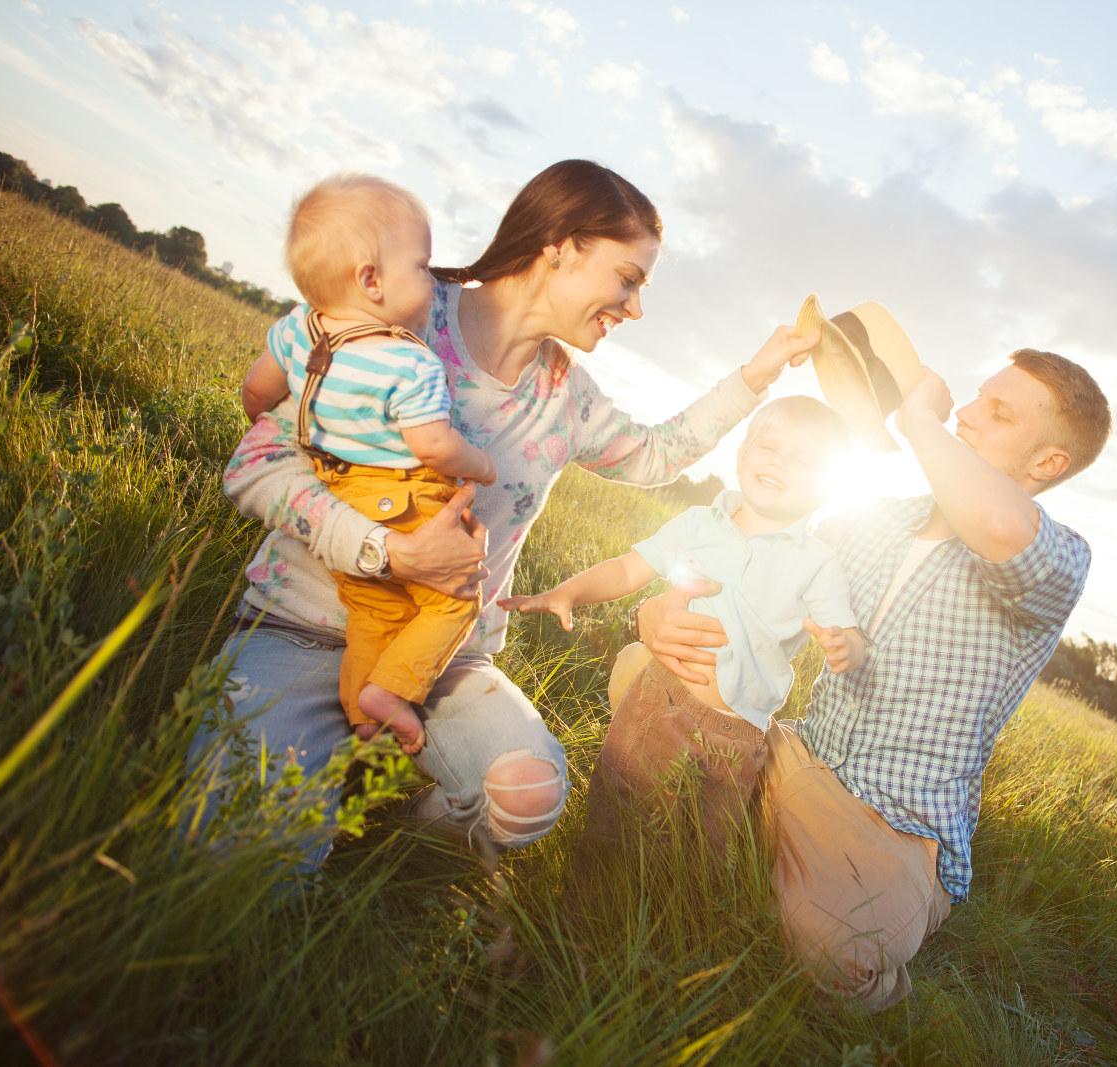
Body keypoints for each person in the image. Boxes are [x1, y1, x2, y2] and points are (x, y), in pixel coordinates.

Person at [195, 159, 818, 875]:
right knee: (236, 858)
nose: (634, 307)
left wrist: (761, 370)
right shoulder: (405, 313)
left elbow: (656, 455)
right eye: (628, 278)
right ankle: (314, 787)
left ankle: (392, 857)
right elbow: (260, 460)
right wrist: (386, 553)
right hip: (301, 627)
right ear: (560, 245)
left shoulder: (569, 398)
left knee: (525, 794)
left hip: (446, 660)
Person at [637, 346, 1111, 1010]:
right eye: (974, 397)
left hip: (893, 822)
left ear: (1046, 465)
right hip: (793, 752)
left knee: (835, 952)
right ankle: (751, 855)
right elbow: (747, 576)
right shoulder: (871, 518)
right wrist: (657, 610)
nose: (965, 414)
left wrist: (921, 422)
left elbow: (1002, 523)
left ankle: (831, 916)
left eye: (996, 413)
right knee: (645, 676)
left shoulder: (1057, 562)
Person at [498, 396, 862, 852]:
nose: (779, 463)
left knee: (702, 851)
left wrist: (846, 646)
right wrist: (569, 591)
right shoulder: (697, 524)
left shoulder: (817, 562)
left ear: (825, 487)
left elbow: (843, 630)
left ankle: (679, 911)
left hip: (737, 731)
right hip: (661, 695)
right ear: (742, 454)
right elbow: (630, 569)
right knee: (619, 817)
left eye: (802, 460)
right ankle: (593, 895)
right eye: (768, 447)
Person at [238, 173, 499, 755]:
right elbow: (433, 447)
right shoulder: (410, 362)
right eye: (422, 266)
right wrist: (479, 462)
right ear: (371, 280)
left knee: (369, 611)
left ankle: (362, 714)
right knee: (452, 602)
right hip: (402, 499)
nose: (432, 280)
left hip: (337, 490)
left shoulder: (295, 328)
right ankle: (391, 692)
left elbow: (257, 396)